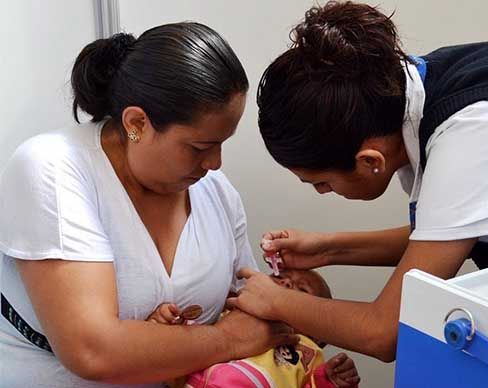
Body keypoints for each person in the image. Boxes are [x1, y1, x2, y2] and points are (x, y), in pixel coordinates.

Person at [227, 1, 488, 362]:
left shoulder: (475, 133)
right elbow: (448, 234)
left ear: (370, 160)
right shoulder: (402, 90)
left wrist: (276, 301)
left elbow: (384, 332)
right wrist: (328, 249)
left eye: (321, 183)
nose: (325, 193)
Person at [0, 23, 297, 387]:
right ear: (137, 123)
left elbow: (253, 311)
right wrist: (230, 340)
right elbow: (93, 350)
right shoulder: (52, 167)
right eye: (199, 148)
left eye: (222, 144)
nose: (216, 163)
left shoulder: (215, 190)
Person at [148, 270, 360, 388]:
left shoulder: (308, 352)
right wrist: (172, 324)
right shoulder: (228, 317)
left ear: (319, 334)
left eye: (302, 290)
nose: (286, 283)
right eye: (278, 278)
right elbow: (184, 353)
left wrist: (330, 380)